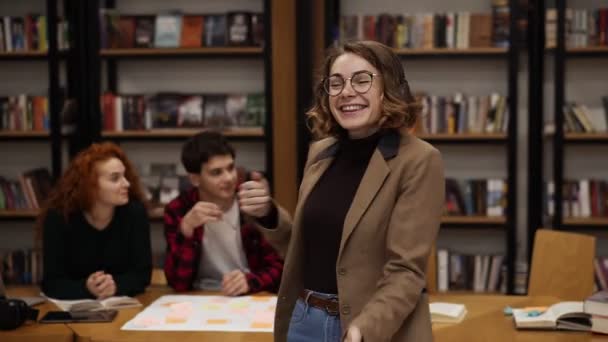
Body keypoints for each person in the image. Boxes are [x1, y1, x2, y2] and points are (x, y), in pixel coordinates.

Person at [239, 40, 445, 341]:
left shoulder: (419, 160)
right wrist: (268, 215)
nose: (347, 91)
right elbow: (308, 251)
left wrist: (365, 328)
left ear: (389, 86)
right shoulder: (321, 153)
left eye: (362, 79)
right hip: (304, 322)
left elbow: (406, 271)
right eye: (335, 83)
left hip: (371, 329)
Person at [163, 131, 283, 296]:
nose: (229, 178)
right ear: (195, 179)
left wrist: (250, 281)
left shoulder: (249, 204)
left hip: (250, 294)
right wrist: (186, 230)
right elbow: (177, 283)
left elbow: (280, 268)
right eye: (216, 172)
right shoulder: (178, 209)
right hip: (200, 297)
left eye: (231, 168)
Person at [40, 142, 152, 300]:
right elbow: (52, 283)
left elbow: (142, 276)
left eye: (125, 176)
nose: (127, 183)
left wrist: (115, 286)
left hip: (124, 308)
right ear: (89, 186)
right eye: (115, 178)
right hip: (74, 313)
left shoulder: (135, 213)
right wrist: (86, 288)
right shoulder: (58, 217)